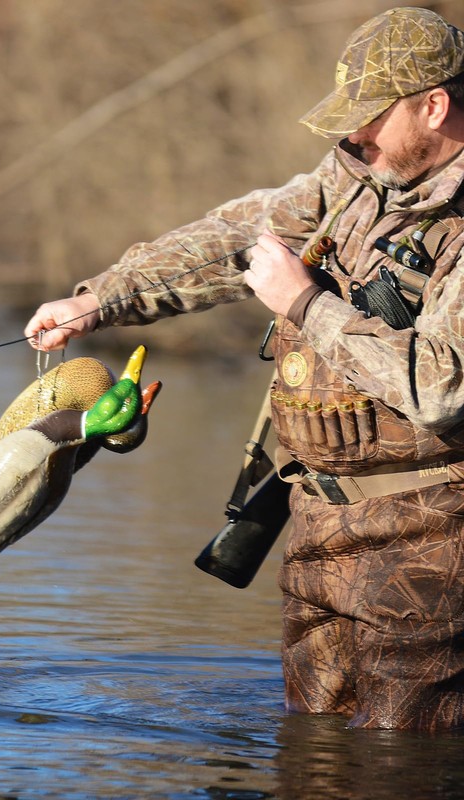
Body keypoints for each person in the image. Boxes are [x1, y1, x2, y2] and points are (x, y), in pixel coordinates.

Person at [23, 6, 464, 731]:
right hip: (315, 527)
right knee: (307, 745)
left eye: (369, 118)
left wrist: (305, 303)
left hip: (431, 548)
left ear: (434, 105)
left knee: (400, 763)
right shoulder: (355, 176)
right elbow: (236, 237)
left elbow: (443, 386)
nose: (353, 134)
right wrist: (102, 300)